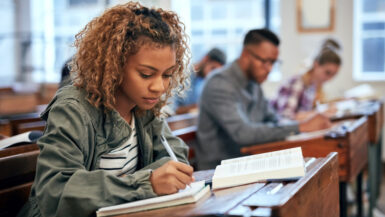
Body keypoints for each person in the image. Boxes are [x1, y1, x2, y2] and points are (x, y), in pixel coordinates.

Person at [18, 2, 194, 217]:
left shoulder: (145, 105)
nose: (159, 87)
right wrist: (145, 183)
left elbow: (175, 157)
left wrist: (160, 178)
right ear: (115, 64)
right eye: (146, 74)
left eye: (167, 75)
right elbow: (56, 191)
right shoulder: (72, 108)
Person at [196, 29, 331, 170]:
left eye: (273, 62)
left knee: (312, 165)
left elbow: (273, 119)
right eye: (265, 61)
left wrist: (300, 125)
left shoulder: (254, 84)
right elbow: (244, 134)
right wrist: (301, 126)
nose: (269, 69)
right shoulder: (219, 83)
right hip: (219, 171)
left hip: (249, 163)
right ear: (246, 55)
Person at [271, 39, 342, 120]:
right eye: (327, 73)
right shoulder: (297, 82)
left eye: (334, 75)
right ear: (316, 64)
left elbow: (306, 111)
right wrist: (320, 114)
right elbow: (286, 117)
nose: (329, 79)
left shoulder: (313, 85)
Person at [173, 48, 226, 114]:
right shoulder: (181, 76)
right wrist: (199, 106)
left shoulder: (204, 82)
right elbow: (171, 110)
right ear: (206, 59)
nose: (212, 75)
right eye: (213, 69)